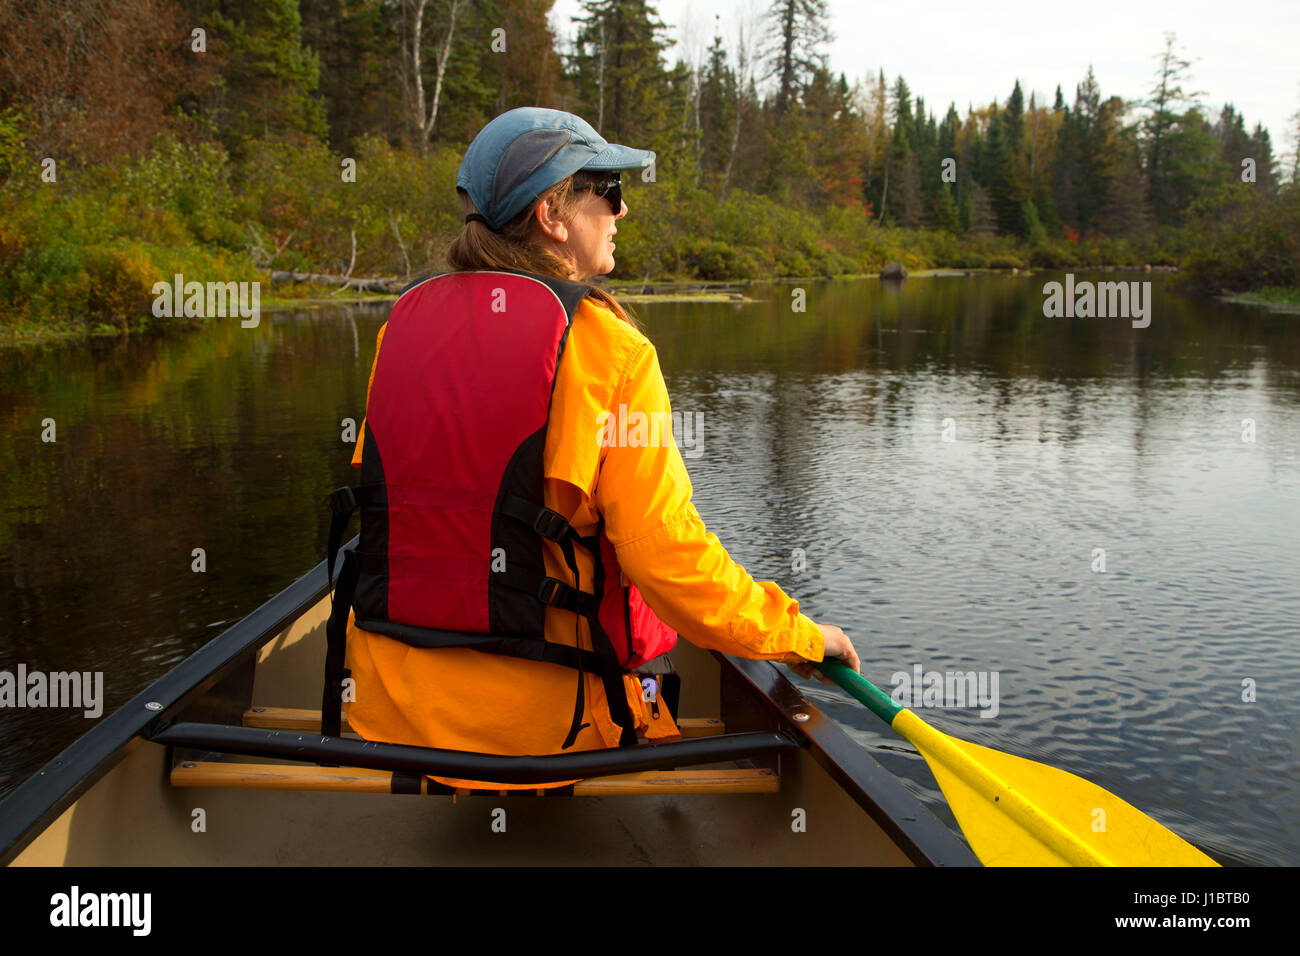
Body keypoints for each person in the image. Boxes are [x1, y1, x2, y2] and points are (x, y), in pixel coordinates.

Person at [335, 107, 859, 791]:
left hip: (388, 721)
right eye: (607, 191)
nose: (624, 209)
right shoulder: (612, 352)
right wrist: (801, 637)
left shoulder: (398, 326)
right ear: (553, 211)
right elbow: (665, 562)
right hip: (541, 738)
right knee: (652, 666)